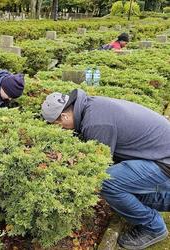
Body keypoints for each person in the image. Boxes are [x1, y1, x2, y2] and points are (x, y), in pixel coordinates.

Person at [41, 89, 170, 250]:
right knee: (122, 185)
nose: (61, 129)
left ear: (64, 116)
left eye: (57, 125)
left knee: (107, 182)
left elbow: (98, 168)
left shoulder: (95, 123)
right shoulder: (91, 107)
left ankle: (154, 228)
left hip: (162, 160)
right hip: (158, 152)